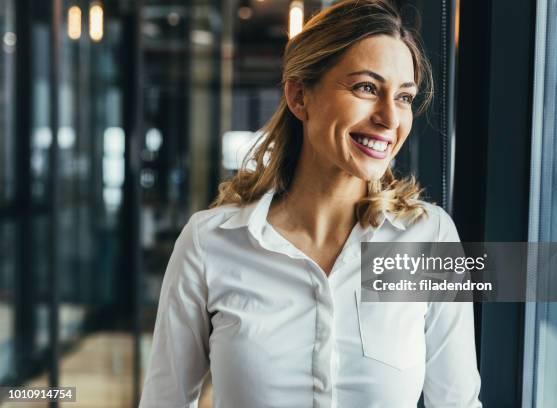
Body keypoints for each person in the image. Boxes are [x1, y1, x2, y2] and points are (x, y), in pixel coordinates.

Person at [139, 1, 482, 407]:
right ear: (300, 96)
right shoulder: (209, 242)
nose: (390, 118)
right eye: (366, 88)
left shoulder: (431, 237)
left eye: (404, 96)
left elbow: (457, 403)